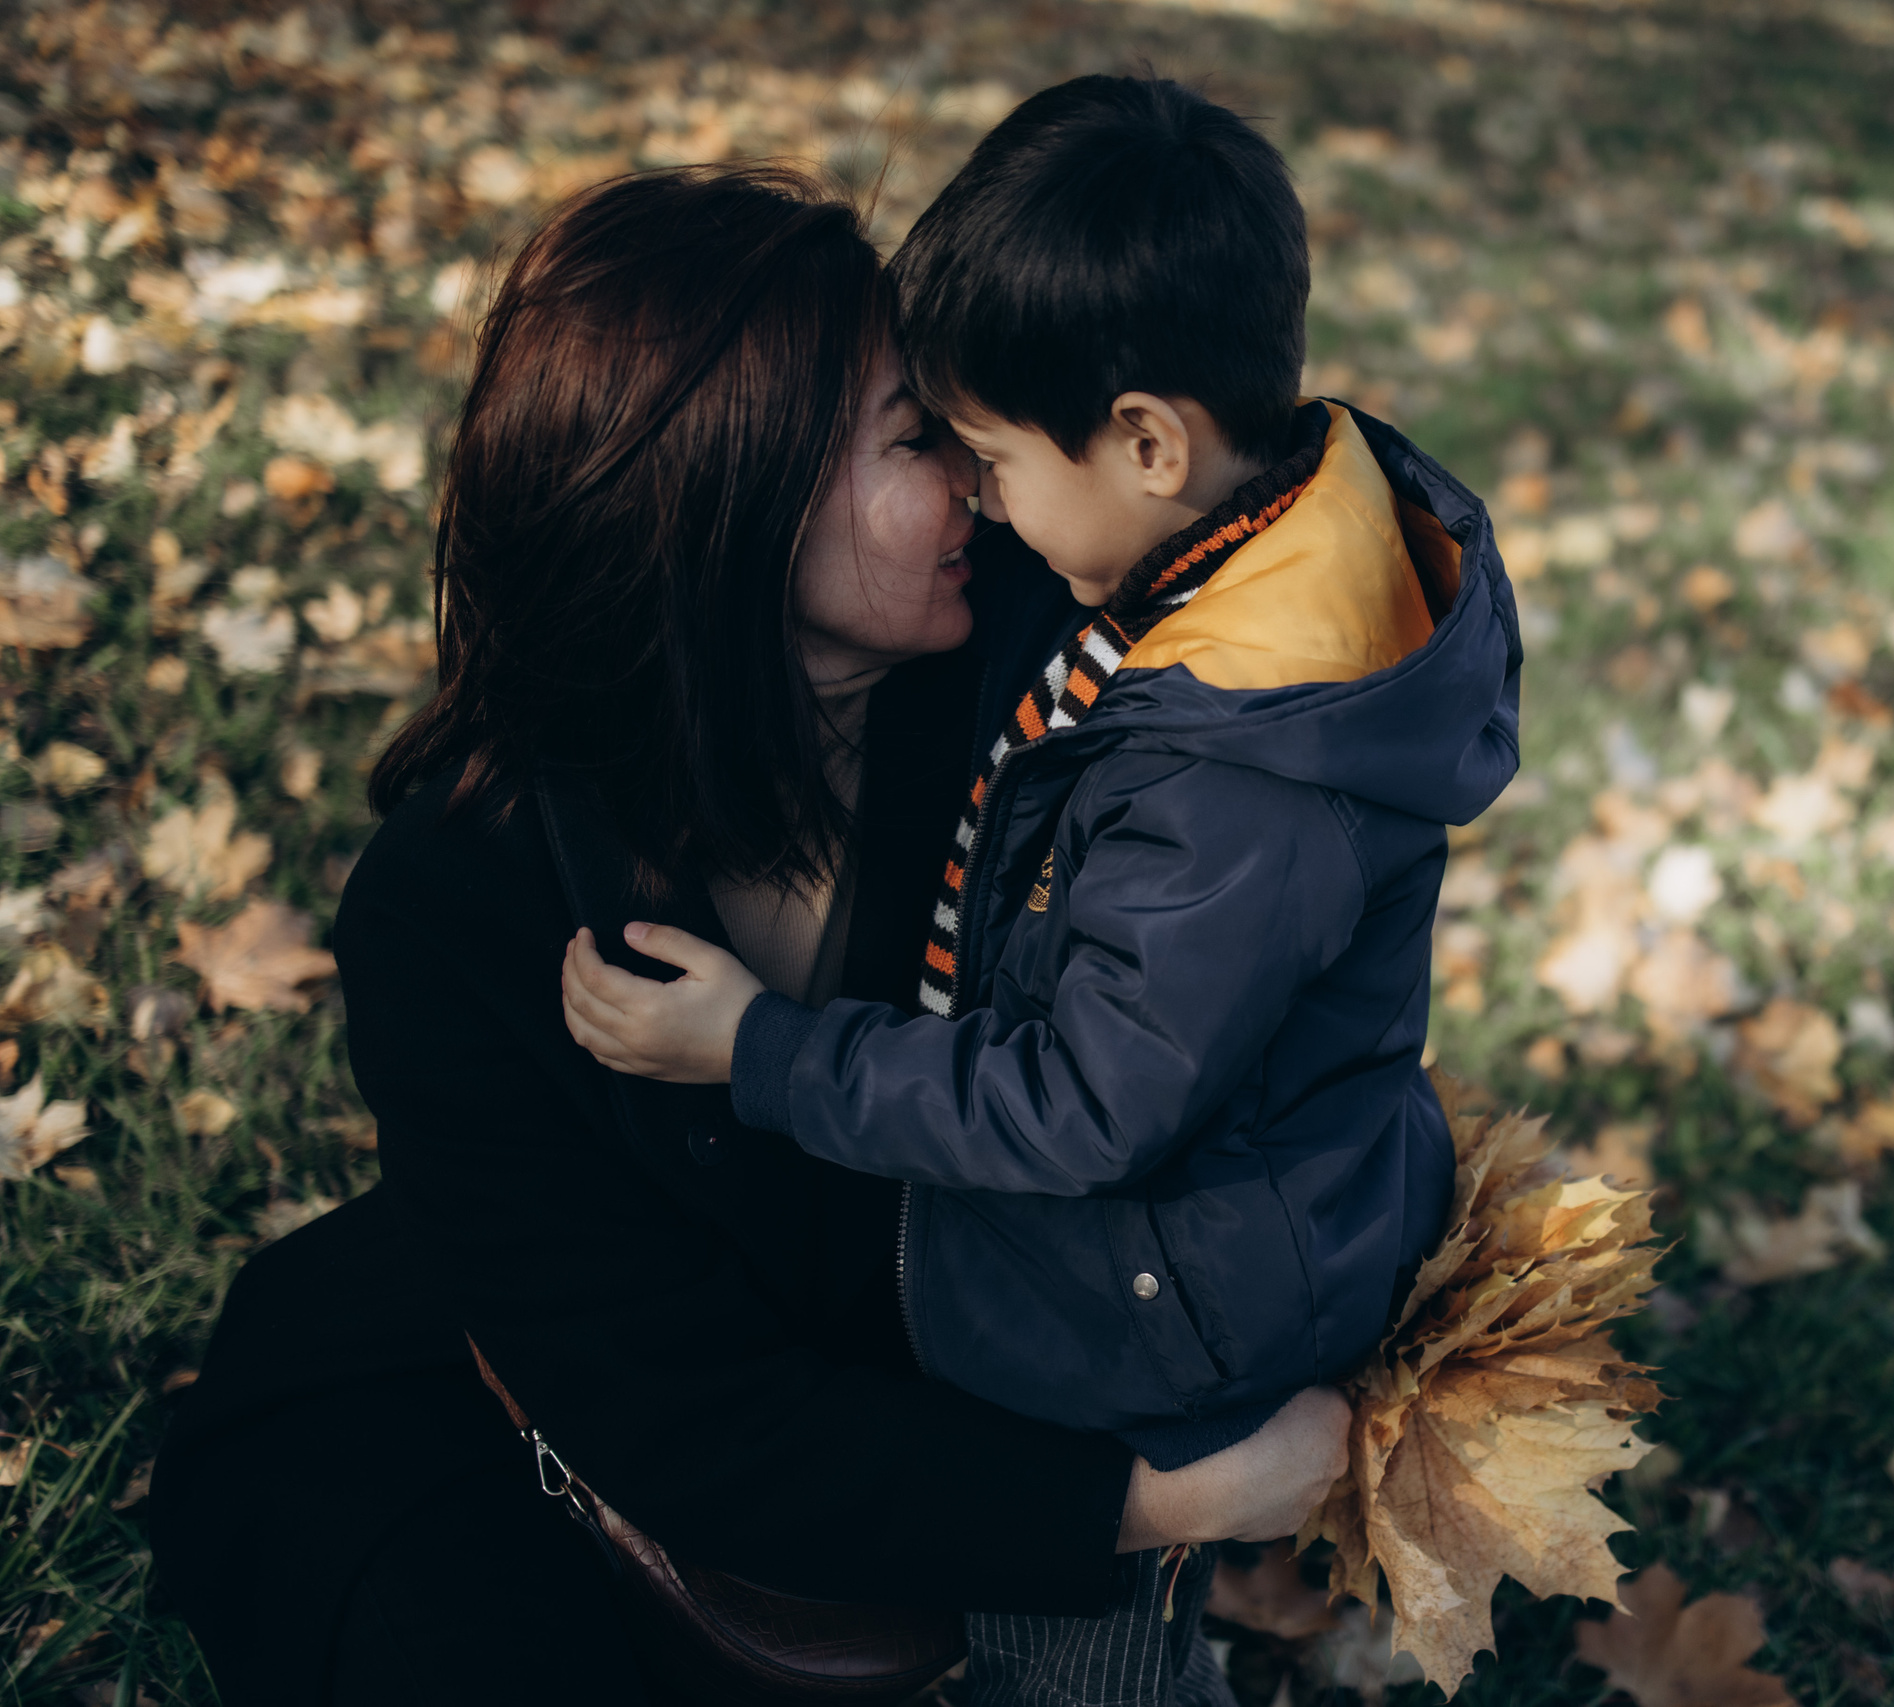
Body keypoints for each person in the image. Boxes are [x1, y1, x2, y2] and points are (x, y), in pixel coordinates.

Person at [148, 163, 1350, 1707]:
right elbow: (690, 1421)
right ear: (738, 508)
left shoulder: (1032, 679)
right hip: (494, 1425)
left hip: (921, 1420)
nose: (980, 482)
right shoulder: (458, 904)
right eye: (917, 438)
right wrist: (1166, 1498)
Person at [557, 78, 1523, 1706]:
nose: (979, 499)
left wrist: (759, 1051)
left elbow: (1087, 1104)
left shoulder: (1238, 774)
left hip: (1156, 1322)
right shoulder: (1244, 565)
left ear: (1148, 441)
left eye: (993, 456)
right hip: (1229, 1217)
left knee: (1076, 1655)